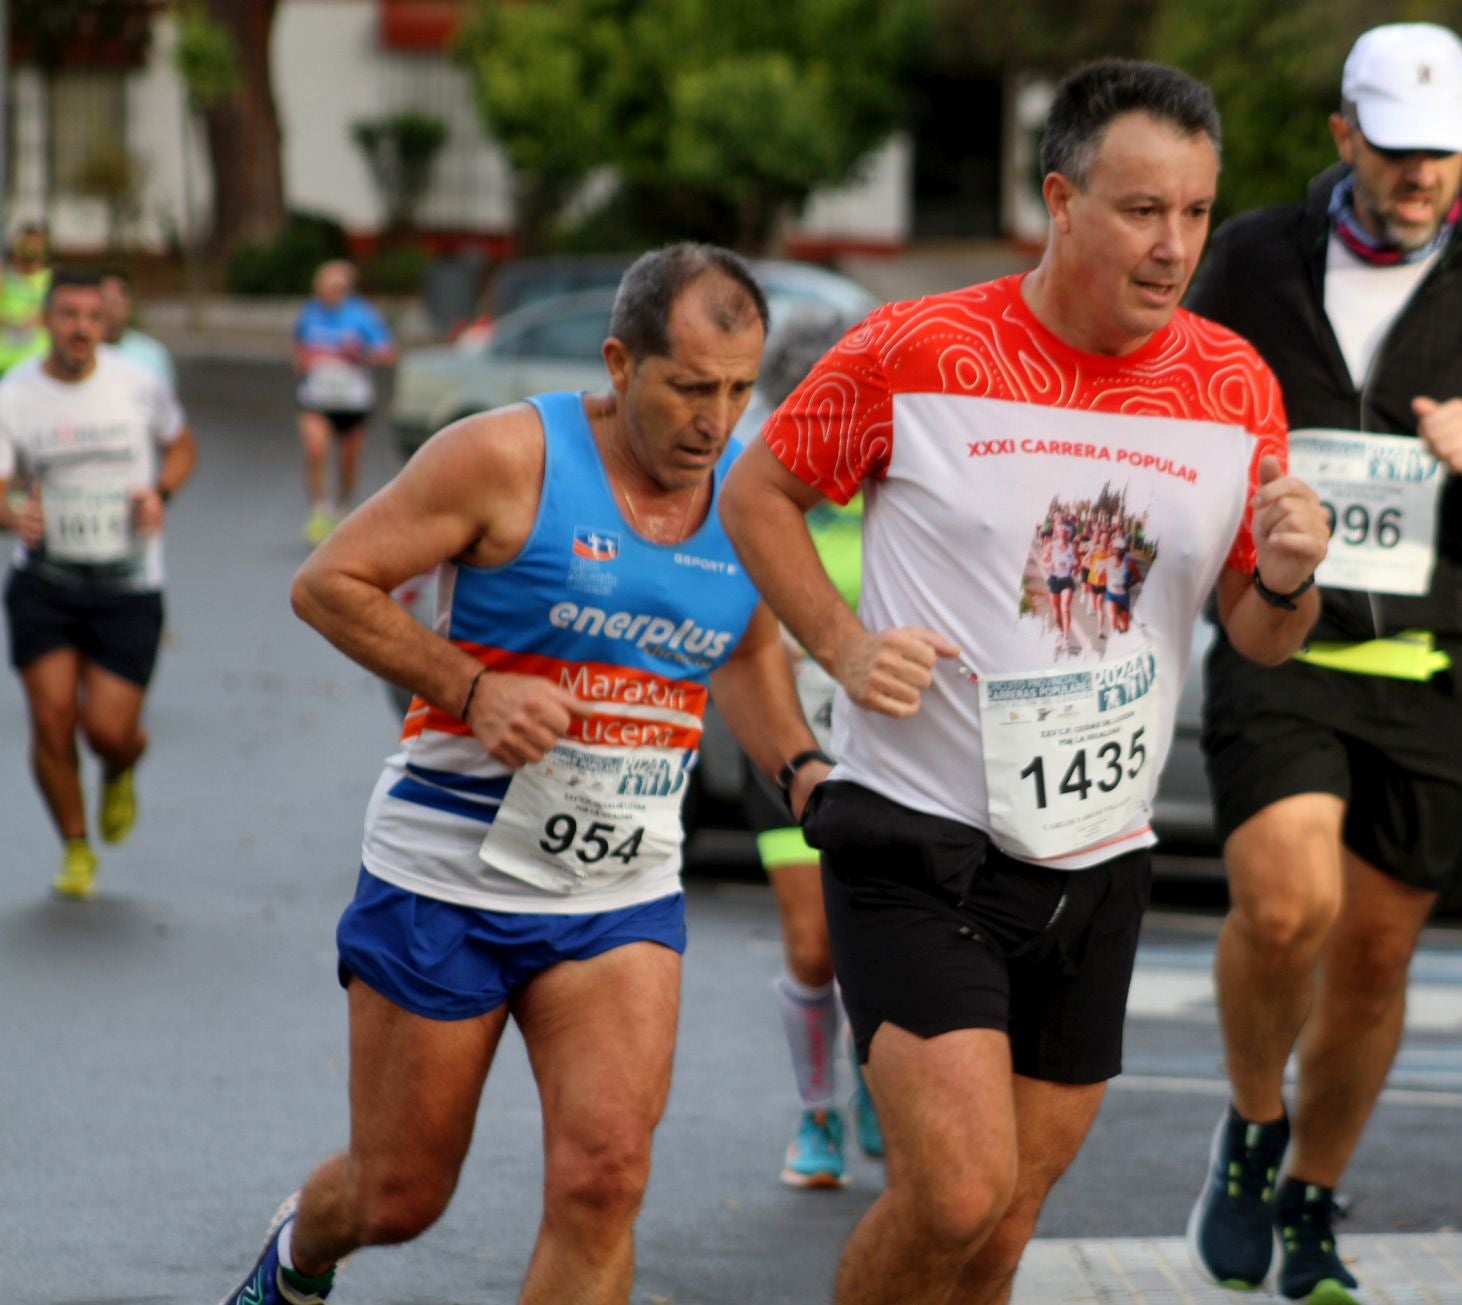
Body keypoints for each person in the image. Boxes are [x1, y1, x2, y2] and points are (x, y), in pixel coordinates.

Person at [720, 60, 1330, 1305]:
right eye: (1141, 210)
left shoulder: (1234, 386)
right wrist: (840, 644)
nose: (1174, 247)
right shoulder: (918, 348)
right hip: (919, 838)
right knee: (952, 1190)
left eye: (1198, 213)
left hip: (1098, 855)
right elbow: (757, 492)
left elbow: (1261, 637)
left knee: (1000, 1233)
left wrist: (1287, 577)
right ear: (1060, 200)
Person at [218, 243, 832, 1305]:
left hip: (619, 889)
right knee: (397, 1196)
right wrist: (471, 688)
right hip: (448, 873)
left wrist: (806, 770)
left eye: (738, 388)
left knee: (605, 1180)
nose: (714, 419)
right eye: (689, 385)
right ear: (621, 363)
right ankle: (299, 1255)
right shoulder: (506, 458)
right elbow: (331, 584)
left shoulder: (748, 494)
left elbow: (742, 649)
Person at [1181, 23, 1462, 1303]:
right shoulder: (1256, 260)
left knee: (1374, 959)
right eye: (1396, 146)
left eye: (1444, 150)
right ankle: (1252, 1126)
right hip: (1283, 635)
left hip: (1434, 663)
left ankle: (1313, 1198)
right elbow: (1165, 397)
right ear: (1344, 137)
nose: (1424, 172)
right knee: (1282, 905)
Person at [735, 311, 885, 1189]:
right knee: (813, 945)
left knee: (882, 938)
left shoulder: (895, 483)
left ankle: (875, 1077)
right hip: (792, 740)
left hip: (892, 748)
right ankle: (816, 1110)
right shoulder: (758, 492)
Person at [0, 267, 197, 898]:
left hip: (129, 584)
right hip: (46, 583)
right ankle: (76, 846)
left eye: (92, 316)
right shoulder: (15, 394)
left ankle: (120, 768)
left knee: (108, 731)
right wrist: (10, 513)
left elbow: (182, 444)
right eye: (68, 315)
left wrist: (160, 493)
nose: (81, 328)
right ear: (46, 322)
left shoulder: (138, 383)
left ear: (104, 322)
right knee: (52, 720)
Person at [292, 259, 394, 545]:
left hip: (352, 402)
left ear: (346, 289)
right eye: (322, 288)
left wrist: (361, 353)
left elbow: (388, 354)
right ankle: (319, 511)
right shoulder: (309, 313)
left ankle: (341, 508)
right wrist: (301, 361)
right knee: (315, 449)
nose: (326, 294)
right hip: (316, 397)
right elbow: (298, 344)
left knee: (347, 462)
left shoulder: (362, 315)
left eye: (334, 288)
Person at [100, 270, 177, 390]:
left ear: (128, 306)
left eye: (114, 303)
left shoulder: (152, 354)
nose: (108, 310)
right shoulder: (81, 352)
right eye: (104, 302)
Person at [0, 223, 52, 374]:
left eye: (37, 244)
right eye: (27, 243)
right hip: (5, 362)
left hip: (37, 362)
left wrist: (38, 318)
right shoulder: (5, 276)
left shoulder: (51, 279)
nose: (32, 249)